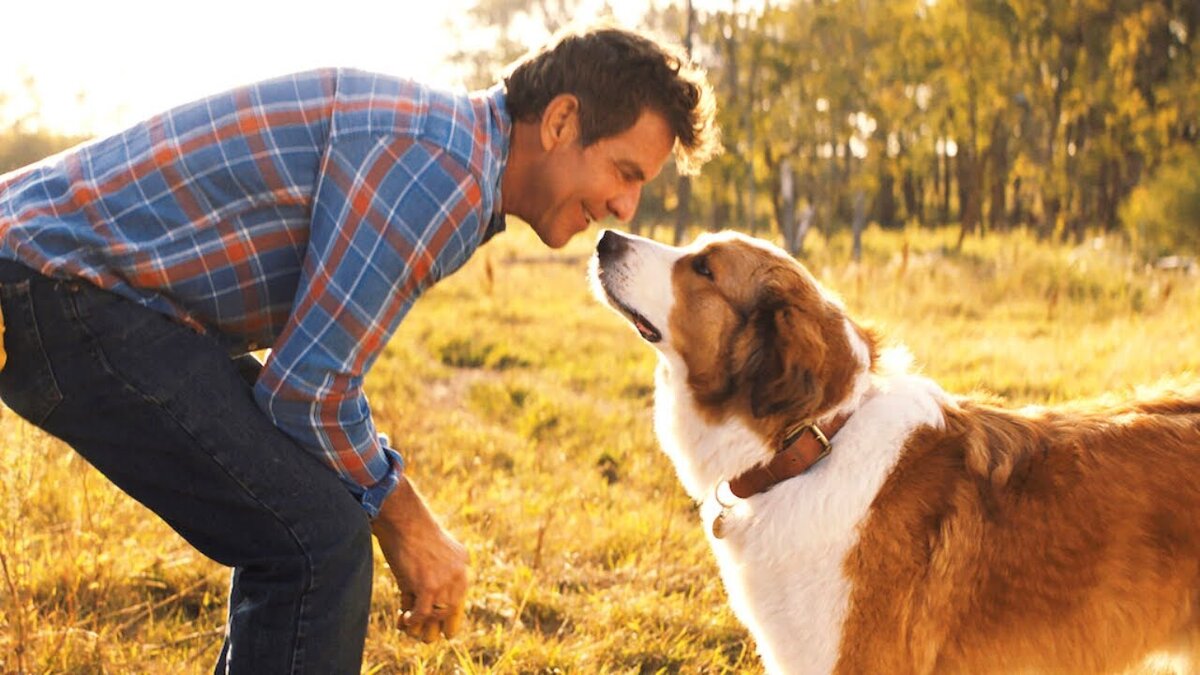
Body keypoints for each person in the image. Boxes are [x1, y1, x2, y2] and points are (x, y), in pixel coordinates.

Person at [0, 23, 719, 674]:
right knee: (315, 541)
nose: (628, 208)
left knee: (315, 529)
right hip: (52, 286)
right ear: (562, 121)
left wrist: (382, 499)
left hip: (74, 289)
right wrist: (407, 520)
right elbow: (307, 389)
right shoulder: (441, 170)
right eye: (626, 173)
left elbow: (306, 381)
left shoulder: (451, 155)